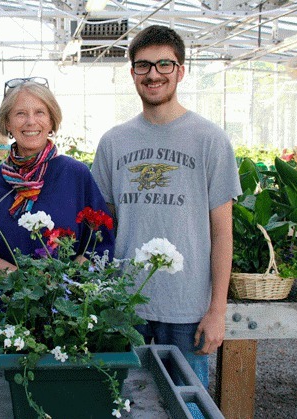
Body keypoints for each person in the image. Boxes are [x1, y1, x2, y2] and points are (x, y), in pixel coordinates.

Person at [91, 25, 242, 389]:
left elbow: (222, 234)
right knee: (121, 401)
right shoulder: (114, 142)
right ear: (132, 73)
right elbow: (102, 226)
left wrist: (217, 311)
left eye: (164, 64)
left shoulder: (210, 140)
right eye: (143, 66)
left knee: (188, 405)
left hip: (187, 308)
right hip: (125, 305)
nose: (153, 74)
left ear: (181, 71)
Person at [0, 78, 115, 313]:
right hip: (3, 311)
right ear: (7, 123)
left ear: (52, 120)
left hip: (65, 309)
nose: (31, 121)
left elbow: (99, 242)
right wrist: (21, 279)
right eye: (20, 113)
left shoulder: (75, 174)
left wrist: (61, 282)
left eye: (40, 112)